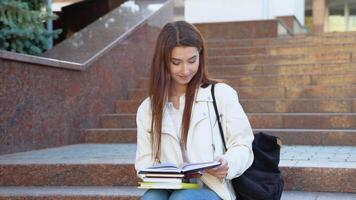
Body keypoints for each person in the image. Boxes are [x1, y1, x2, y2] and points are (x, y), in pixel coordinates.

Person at [135, 21, 254, 200]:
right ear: (163, 62)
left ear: (200, 56)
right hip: (169, 188)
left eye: (192, 60)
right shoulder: (148, 109)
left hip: (214, 189)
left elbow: (243, 144)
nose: (185, 70)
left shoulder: (220, 94)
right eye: (176, 62)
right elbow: (144, 162)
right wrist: (170, 175)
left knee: (183, 198)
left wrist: (227, 163)